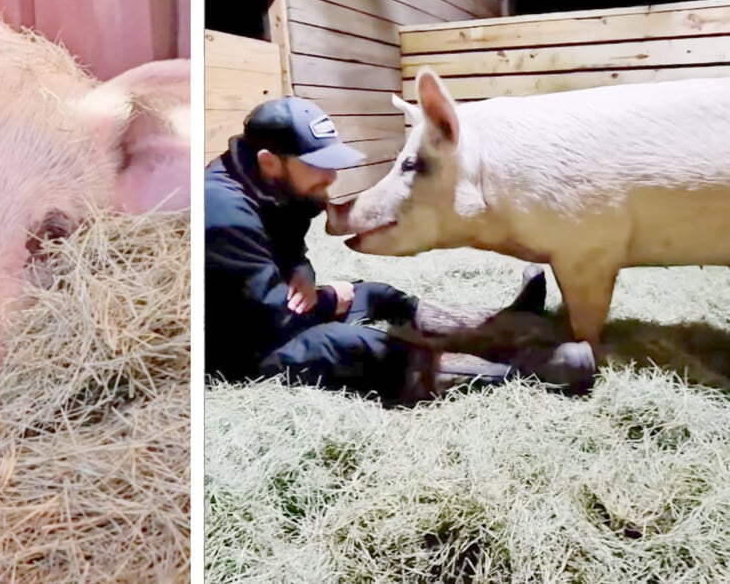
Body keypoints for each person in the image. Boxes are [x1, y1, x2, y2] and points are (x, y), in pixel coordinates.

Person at [204, 95, 596, 404]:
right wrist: (330, 300)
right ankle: (534, 370)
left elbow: (290, 243)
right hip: (242, 351)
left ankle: (504, 325)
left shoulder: (273, 187)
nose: (332, 177)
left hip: (271, 309)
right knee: (346, 346)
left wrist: (301, 271)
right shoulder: (223, 214)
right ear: (270, 162)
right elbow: (267, 321)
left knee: (377, 295)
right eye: (318, 165)